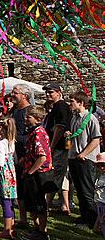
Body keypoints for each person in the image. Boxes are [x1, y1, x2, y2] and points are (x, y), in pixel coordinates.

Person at [67, 91, 102, 230]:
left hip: (85, 159)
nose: (70, 104)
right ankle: (84, 216)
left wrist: (83, 153)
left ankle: (91, 220)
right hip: (74, 156)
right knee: (80, 189)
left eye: (72, 101)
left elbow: (96, 139)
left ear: (80, 103)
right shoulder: (75, 117)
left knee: (87, 190)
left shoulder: (90, 118)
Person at [20, 105, 54, 240]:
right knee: (32, 202)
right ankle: (36, 228)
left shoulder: (39, 133)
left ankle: (42, 232)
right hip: (31, 171)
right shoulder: (33, 132)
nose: (26, 119)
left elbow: (42, 157)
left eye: (29, 117)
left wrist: (30, 172)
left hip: (38, 174)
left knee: (39, 203)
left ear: (38, 119)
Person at [43, 83, 72, 214]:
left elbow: (60, 127)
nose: (48, 94)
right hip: (57, 146)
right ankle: (48, 204)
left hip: (59, 147)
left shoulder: (60, 106)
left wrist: (51, 146)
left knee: (54, 175)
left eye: (51, 92)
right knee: (54, 175)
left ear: (59, 92)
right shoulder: (56, 106)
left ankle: (47, 204)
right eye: (47, 92)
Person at [0, 118, 17, 239]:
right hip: (11, 172)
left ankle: (7, 230)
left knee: (5, 201)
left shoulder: (2, 143)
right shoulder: (11, 141)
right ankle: (11, 227)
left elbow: (0, 163)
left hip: (4, 173)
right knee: (10, 200)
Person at [12, 83, 33, 227]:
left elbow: (32, 135)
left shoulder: (29, 112)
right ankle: (23, 218)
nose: (12, 95)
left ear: (24, 95)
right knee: (20, 187)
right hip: (16, 151)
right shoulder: (15, 110)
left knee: (29, 188)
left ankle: (36, 221)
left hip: (26, 154)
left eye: (15, 93)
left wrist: (25, 155)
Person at [93, 153, 105, 240]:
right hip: (100, 204)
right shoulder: (100, 176)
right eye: (99, 165)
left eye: (104, 165)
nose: (101, 168)